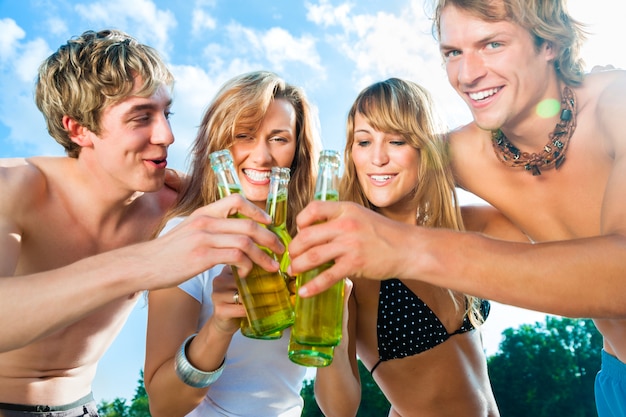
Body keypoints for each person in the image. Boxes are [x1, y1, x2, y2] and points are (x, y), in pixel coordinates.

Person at [287, 1, 626, 416]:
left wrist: (408, 246)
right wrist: (199, 190)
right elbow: (300, 191)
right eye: (453, 53)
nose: (468, 74)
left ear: (549, 41)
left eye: (493, 43)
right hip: (616, 377)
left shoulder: (616, 103)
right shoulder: (351, 254)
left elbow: (598, 267)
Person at [0, 30, 282, 416]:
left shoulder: (175, 203)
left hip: (82, 407)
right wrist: (146, 261)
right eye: (140, 117)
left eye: (166, 113)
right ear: (78, 128)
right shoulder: (12, 187)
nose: (166, 135)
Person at [314, 78, 529, 416]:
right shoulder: (349, 261)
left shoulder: (460, 227)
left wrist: (455, 164)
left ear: (425, 147)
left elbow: (541, 231)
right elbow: (339, 409)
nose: (378, 158)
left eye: (396, 140)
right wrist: (332, 329)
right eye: (364, 141)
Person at [143, 70, 322, 417]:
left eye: (279, 139)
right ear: (221, 143)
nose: (261, 156)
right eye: (244, 135)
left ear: (298, 152)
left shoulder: (306, 243)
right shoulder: (187, 235)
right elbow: (163, 406)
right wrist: (220, 326)